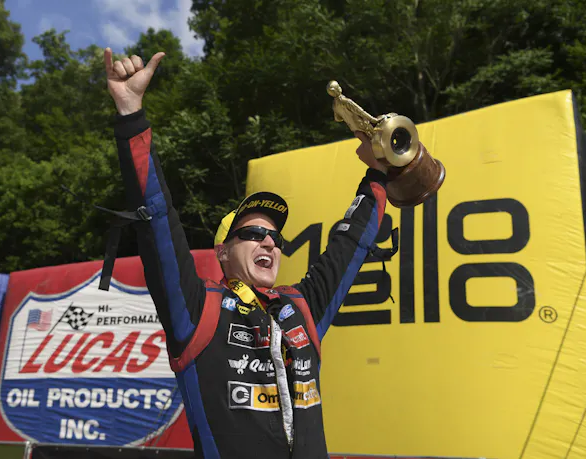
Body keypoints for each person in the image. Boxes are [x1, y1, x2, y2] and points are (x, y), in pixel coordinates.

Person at [104, 47, 389, 459]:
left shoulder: (301, 308)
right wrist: (131, 116)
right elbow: (157, 221)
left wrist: (378, 172)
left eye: (276, 238)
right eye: (254, 233)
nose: (269, 242)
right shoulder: (198, 310)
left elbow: (351, 244)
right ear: (222, 252)